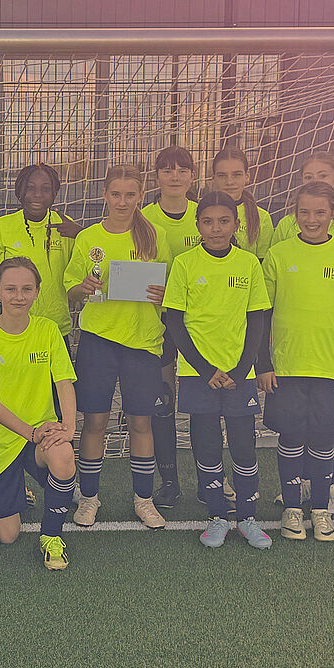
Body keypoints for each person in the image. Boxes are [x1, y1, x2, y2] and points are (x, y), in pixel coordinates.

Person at [258, 182, 334, 543]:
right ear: (295, 214)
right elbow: (261, 313)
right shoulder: (278, 254)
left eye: (319, 212)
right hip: (288, 368)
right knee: (291, 436)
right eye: (304, 212)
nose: (311, 219)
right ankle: (292, 508)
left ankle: (321, 510)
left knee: (324, 438)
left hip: (332, 370)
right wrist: (263, 363)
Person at [161, 192, 273, 549]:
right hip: (198, 375)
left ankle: (247, 517)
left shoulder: (249, 264)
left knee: (243, 445)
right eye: (207, 222)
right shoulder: (184, 264)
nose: (216, 228)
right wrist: (206, 368)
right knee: (206, 445)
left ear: (236, 225)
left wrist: (241, 371)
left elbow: (257, 321)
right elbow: (175, 322)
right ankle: (216, 517)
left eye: (224, 221)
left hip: (240, 375)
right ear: (198, 226)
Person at [65, 165, 170, 529]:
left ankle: (144, 500)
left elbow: (170, 288)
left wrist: (164, 294)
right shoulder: (88, 238)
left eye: (130, 195)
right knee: (94, 421)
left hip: (142, 343)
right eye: (116, 194)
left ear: (140, 196)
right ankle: (89, 499)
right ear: (104, 195)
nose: (122, 201)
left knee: (141, 422)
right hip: (99, 340)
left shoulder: (154, 237)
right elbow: (72, 289)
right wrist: (84, 287)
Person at [0, 258, 78, 569]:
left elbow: (64, 382)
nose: (19, 296)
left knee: (63, 453)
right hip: (0, 440)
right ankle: (16, 487)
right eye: (11, 289)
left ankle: (52, 537)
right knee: (8, 535)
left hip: (38, 433)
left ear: (38, 292)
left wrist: (68, 426)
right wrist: (31, 432)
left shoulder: (48, 330)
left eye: (27, 289)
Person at [142, 146, 201, 507]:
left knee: (202, 403)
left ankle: (212, 479)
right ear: (157, 176)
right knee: (162, 401)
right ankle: (169, 481)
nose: (174, 176)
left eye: (182, 170)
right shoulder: (143, 217)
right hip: (159, 323)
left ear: (193, 176)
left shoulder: (206, 215)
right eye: (166, 170)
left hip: (201, 325)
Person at [0, 162, 82, 346]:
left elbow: (96, 258)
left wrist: (81, 234)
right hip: (12, 328)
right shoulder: (3, 226)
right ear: (19, 191)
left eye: (45, 189)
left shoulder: (66, 227)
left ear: (54, 193)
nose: (37, 195)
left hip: (55, 328)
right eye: (30, 188)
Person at [210, 147, 273, 261]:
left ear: (247, 176)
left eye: (236, 175)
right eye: (222, 175)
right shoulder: (201, 213)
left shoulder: (261, 217)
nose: (229, 181)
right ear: (213, 178)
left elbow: (262, 265)